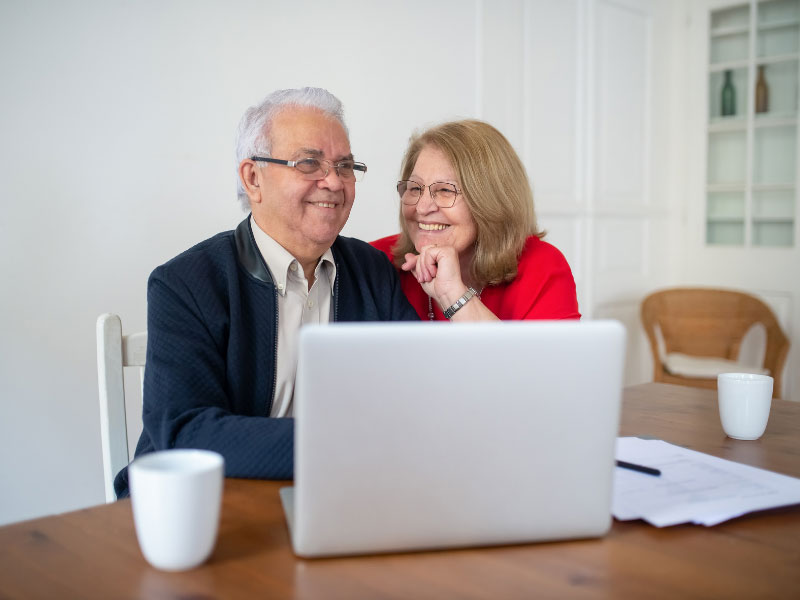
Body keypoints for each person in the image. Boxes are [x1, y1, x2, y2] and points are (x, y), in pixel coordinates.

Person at [114, 87, 418, 498]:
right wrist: (342, 444)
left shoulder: (371, 272)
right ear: (252, 178)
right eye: (309, 163)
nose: (333, 182)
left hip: (340, 497)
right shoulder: (185, 283)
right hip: (205, 506)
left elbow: (421, 396)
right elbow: (186, 431)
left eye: (344, 166)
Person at [371, 119, 580, 322]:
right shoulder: (372, 263)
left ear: (491, 201)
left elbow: (542, 359)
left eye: (445, 190)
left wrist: (453, 295)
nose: (422, 207)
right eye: (415, 188)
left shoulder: (541, 268)